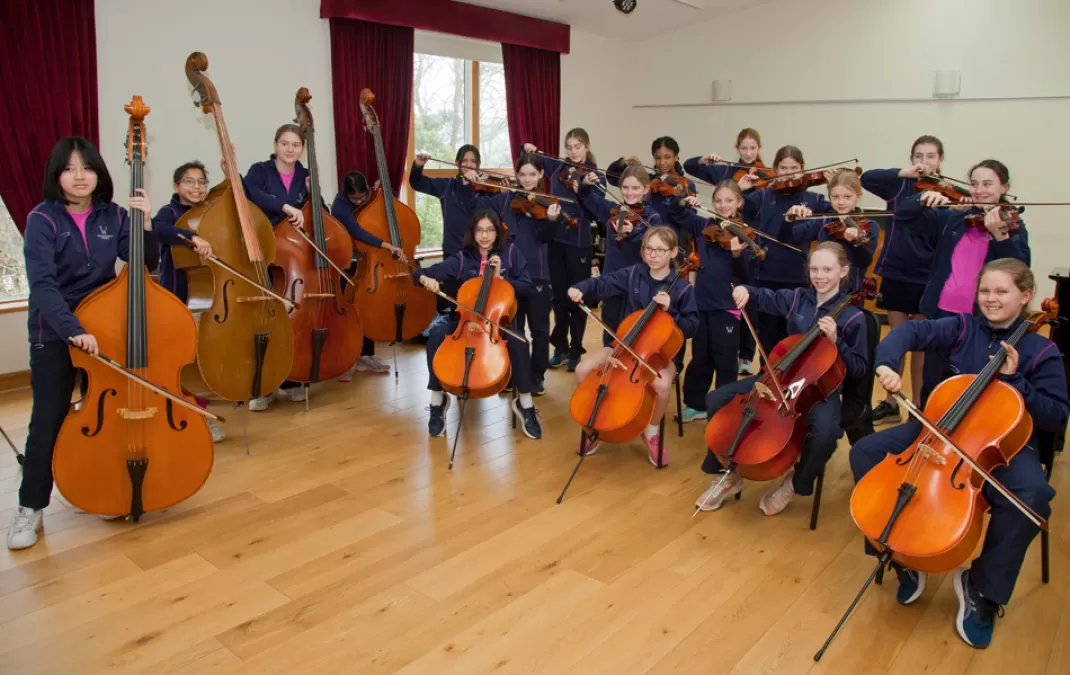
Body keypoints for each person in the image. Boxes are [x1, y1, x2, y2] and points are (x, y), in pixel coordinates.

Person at [849, 258, 1068, 649]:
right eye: (985, 291)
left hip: (1004, 445)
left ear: (1025, 295)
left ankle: (982, 588)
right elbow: (911, 331)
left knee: (1031, 498)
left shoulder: (1041, 350)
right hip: (940, 428)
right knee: (865, 453)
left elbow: (1056, 414)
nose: (991, 299)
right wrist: (886, 364)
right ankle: (899, 555)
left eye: (1002, 291)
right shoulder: (963, 327)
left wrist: (1017, 380)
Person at [8, 137, 160, 550]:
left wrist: (146, 224)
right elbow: (42, 285)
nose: (80, 176)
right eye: (70, 169)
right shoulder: (42, 219)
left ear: (99, 173)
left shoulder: (115, 214)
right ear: (56, 175)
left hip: (104, 329)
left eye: (87, 168)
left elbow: (145, 263)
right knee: (49, 419)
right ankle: (30, 506)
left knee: (104, 417)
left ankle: (99, 490)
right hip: (55, 332)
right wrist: (73, 330)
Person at [695, 242, 867, 514]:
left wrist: (837, 341)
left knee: (825, 433)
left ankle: (795, 484)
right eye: (814, 269)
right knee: (717, 398)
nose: (819, 276)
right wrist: (746, 290)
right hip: (781, 376)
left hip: (820, 389)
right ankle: (727, 475)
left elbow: (859, 368)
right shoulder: (798, 298)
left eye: (827, 269)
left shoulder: (853, 317)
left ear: (843, 271)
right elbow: (766, 297)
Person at [895, 159, 1030, 406]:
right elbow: (903, 214)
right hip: (942, 314)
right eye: (974, 184)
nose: (979, 190)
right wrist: (922, 198)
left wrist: (1000, 236)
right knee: (933, 384)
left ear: (1005, 187)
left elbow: (1020, 271)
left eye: (987, 184)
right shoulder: (955, 217)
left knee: (970, 389)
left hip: (979, 320)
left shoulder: (1012, 226)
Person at [568, 226, 699, 467]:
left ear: (673, 253)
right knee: (583, 369)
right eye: (649, 249)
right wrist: (581, 288)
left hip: (659, 354)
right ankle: (594, 426)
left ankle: (651, 432)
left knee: (661, 384)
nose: (653, 255)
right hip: (622, 346)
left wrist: (671, 311)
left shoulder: (682, 288)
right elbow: (603, 283)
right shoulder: (633, 274)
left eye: (660, 250)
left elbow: (692, 327)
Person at [413, 210, 542, 440]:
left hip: (496, 322)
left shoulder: (511, 253)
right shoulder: (463, 258)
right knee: (436, 334)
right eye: (480, 230)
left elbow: (527, 287)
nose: (484, 236)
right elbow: (421, 273)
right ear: (472, 233)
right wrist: (425, 279)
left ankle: (525, 403)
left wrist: (502, 279)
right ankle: (437, 399)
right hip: (464, 322)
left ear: (497, 232)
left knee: (520, 342)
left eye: (490, 230)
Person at [862, 135, 944, 425]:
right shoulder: (898, 185)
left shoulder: (945, 192)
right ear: (911, 159)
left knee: (920, 344)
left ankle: (918, 406)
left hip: (926, 275)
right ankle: (890, 402)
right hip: (896, 271)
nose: (924, 162)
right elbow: (867, 178)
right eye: (918, 156)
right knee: (897, 339)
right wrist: (902, 172)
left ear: (940, 160)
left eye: (931, 156)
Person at [152, 161, 224, 442]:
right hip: (178, 297)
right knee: (183, 360)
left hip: (209, 297)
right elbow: (158, 229)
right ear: (176, 186)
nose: (197, 187)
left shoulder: (208, 213)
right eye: (189, 181)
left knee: (201, 360)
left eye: (202, 182)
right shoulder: (169, 213)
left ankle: (201, 413)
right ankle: (184, 414)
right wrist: (193, 237)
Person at [241, 123, 311, 411]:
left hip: (292, 257)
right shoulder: (259, 171)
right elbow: (250, 194)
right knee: (263, 320)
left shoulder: (306, 176)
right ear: (275, 145)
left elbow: (317, 209)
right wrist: (285, 207)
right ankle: (262, 386)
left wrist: (313, 199)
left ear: (302, 148)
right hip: (263, 252)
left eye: (295, 145)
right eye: (285, 143)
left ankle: (290, 380)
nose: (290, 149)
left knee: (290, 320)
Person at [478, 153, 561, 395]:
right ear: (516, 175)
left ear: (541, 175)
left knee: (540, 330)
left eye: (532, 174)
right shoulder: (507, 200)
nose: (527, 179)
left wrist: (552, 221)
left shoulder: (547, 203)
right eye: (522, 174)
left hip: (537, 274)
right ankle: (513, 374)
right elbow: (486, 218)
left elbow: (545, 238)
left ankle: (537, 376)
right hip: (509, 274)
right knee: (512, 329)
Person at [522, 131, 603, 371]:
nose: (573, 151)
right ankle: (561, 348)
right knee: (558, 297)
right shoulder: (559, 166)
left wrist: (584, 188)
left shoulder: (595, 176)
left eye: (577, 146)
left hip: (579, 242)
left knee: (578, 297)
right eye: (569, 147)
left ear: (587, 147)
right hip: (556, 240)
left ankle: (576, 349)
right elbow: (531, 157)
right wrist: (527, 145)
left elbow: (596, 211)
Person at [670, 180, 748, 423]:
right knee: (700, 357)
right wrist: (683, 201)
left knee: (725, 359)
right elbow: (676, 213)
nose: (723, 205)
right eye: (718, 201)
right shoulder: (703, 225)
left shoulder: (744, 233)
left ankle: (724, 407)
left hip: (727, 306)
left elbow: (745, 274)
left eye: (729, 200)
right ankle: (695, 404)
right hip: (702, 303)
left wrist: (736, 253)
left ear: (739, 203)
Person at [739, 146, 831, 354]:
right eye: (783, 168)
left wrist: (833, 183)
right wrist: (740, 188)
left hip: (798, 277)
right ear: (775, 170)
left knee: (795, 338)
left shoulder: (814, 200)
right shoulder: (762, 196)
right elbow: (733, 207)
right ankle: (769, 373)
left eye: (794, 168)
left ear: (803, 169)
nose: (789, 173)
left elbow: (839, 213)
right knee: (768, 339)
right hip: (765, 275)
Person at [330, 170, 406, 379]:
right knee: (350, 312)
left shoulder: (368, 195)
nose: (359, 201)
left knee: (368, 308)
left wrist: (382, 190)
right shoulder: (339, 207)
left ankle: (366, 357)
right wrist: (385, 245)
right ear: (346, 193)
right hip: (348, 264)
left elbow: (388, 203)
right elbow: (357, 231)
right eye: (355, 198)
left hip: (368, 263)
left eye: (362, 196)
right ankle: (346, 361)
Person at [576, 163, 662, 345]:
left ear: (646, 189)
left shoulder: (652, 217)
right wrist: (585, 184)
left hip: (638, 283)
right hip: (612, 280)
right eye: (625, 187)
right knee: (611, 333)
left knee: (635, 334)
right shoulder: (612, 211)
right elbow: (585, 196)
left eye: (635, 188)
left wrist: (635, 233)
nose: (629, 193)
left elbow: (656, 247)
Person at [785, 168, 879, 292]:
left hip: (850, 293)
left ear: (858, 197)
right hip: (822, 290)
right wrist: (788, 220)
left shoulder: (869, 226)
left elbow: (864, 261)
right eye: (835, 197)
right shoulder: (824, 222)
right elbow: (788, 238)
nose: (841, 202)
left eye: (847, 197)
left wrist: (855, 242)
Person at [606, 137, 695, 249]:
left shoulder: (685, 184)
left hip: (670, 242)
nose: (662, 162)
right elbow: (612, 177)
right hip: (643, 240)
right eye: (658, 158)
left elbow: (689, 221)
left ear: (676, 157)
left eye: (667, 157)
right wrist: (625, 164)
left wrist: (678, 201)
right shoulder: (649, 181)